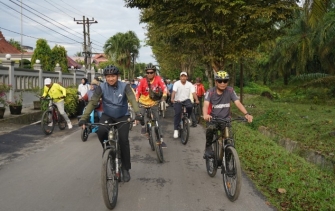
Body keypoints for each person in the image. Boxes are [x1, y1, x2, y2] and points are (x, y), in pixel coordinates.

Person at [78, 65, 142, 182]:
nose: (111, 79)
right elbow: (92, 102)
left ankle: (125, 169)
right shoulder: (101, 87)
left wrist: (138, 114)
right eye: (108, 76)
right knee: (101, 131)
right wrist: (84, 118)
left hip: (123, 116)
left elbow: (132, 99)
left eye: (113, 76)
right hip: (107, 115)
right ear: (105, 77)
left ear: (117, 76)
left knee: (123, 140)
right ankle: (108, 151)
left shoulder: (125, 86)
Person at [202, 70, 253, 157]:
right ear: (216, 82)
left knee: (229, 141)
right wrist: (205, 115)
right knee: (210, 129)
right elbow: (205, 105)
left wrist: (246, 113)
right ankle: (208, 147)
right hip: (213, 119)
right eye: (220, 81)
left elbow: (238, 103)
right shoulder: (210, 92)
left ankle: (230, 161)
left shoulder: (230, 90)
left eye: (225, 81)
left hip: (225, 120)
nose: (223, 83)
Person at [136, 64, 168, 148]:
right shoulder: (142, 81)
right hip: (143, 102)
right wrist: (135, 101)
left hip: (154, 103)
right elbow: (137, 92)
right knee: (140, 117)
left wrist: (164, 97)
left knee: (157, 120)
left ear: (154, 72)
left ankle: (161, 140)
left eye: (151, 72)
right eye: (148, 72)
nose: (149, 74)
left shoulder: (158, 79)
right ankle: (143, 127)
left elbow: (164, 88)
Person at [171, 72, 199, 138]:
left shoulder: (190, 84)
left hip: (186, 100)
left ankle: (187, 118)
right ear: (180, 77)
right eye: (182, 76)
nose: (183, 77)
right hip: (178, 100)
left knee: (190, 107)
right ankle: (176, 130)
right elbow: (174, 92)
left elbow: (193, 93)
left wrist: (197, 100)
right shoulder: (176, 83)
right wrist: (172, 98)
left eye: (185, 76)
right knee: (177, 113)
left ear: (187, 77)